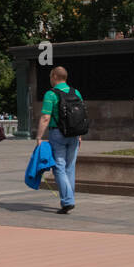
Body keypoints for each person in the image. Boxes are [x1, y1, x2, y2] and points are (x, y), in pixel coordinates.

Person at [34, 66, 84, 214]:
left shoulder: (51, 94)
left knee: (59, 168)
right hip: (74, 134)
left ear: (55, 76)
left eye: (51, 76)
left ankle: (68, 201)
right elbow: (81, 116)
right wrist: (80, 135)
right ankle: (68, 199)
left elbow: (45, 117)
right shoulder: (76, 92)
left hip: (58, 134)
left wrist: (39, 137)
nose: (50, 79)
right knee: (70, 167)